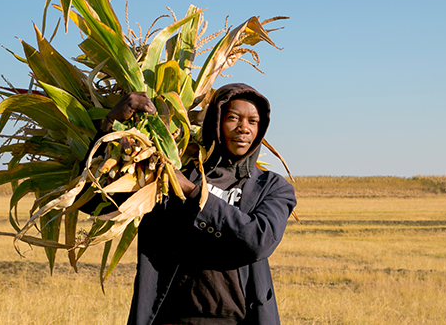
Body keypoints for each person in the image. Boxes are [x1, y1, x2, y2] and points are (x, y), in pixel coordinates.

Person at [95, 83, 297, 325]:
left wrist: (193, 193)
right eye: (234, 118)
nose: (244, 129)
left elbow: (258, 241)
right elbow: (100, 200)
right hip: (173, 319)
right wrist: (110, 124)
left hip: (239, 320)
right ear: (216, 120)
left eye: (253, 122)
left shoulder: (271, 187)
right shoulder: (169, 174)